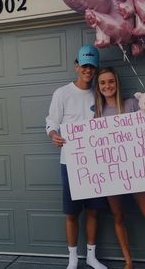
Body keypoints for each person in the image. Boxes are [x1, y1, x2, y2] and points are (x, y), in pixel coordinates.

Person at [94, 67, 145, 269]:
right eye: (103, 82)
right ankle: (128, 262)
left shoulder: (131, 104)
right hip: (111, 173)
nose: (107, 86)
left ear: (117, 82)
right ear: (98, 87)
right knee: (118, 217)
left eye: (111, 81)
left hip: (137, 171)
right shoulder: (96, 114)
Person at [46, 45, 108, 269]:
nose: (88, 70)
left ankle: (91, 256)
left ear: (95, 68)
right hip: (70, 162)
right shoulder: (62, 93)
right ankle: (72, 259)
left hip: (96, 162)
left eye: (91, 66)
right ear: (76, 66)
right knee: (71, 212)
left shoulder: (99, 92)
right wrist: (53, 134)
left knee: (93, 210)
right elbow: (52, 121)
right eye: (84, 65)